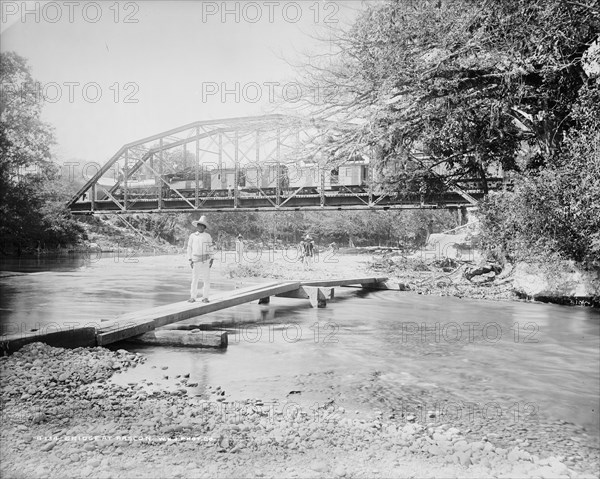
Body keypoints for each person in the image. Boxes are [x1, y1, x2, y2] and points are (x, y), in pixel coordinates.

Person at [186, 216, 214, 303]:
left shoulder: (207, 236)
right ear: (197, 226)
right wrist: (190, 259)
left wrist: (212, 258)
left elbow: (210, 247)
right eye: (199, 225)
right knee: (195, 279)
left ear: (204, 227)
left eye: (202, 225)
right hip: (195, 259)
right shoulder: (193, 236)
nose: (200, 227)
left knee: (206, 279)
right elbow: (189, 247)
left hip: (206, 259)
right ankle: (193, 297)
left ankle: (205, 297)